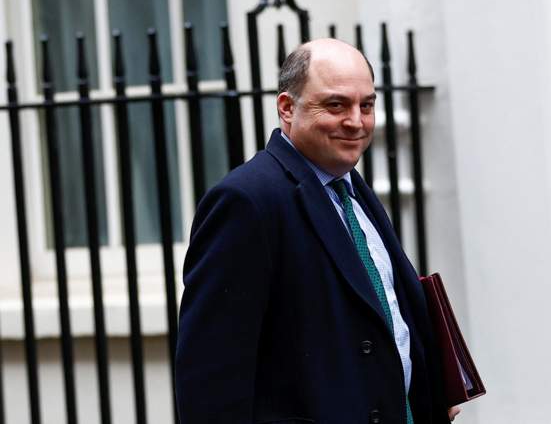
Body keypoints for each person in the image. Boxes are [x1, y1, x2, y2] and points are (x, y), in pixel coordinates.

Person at [176, 38, 460, 424]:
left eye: (366, 106)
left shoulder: (352, 189)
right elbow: (210, 379)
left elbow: (384, 315)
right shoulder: (246, 201)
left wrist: (429, 388)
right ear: (287, 107)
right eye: (336, 105)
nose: (356, 122)